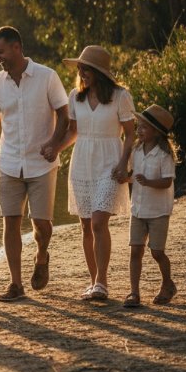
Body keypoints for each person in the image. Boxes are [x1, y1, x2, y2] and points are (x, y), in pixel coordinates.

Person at [0, 26, 69, 302]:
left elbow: (64, 114)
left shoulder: (47, 77)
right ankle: (15, 283)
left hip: (42, 163)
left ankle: (41, 255)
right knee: (10, 222)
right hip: (9, 162)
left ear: (17, 47)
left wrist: (53, 143)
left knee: (42, 224)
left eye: (0, 51)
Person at [49, 45, 135, 301]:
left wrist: (124, 164)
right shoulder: (76, 96)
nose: (82, 73)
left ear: (100, 72)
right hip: (82, 163)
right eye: (80, 69)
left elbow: (130, 134)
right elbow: (73, 132)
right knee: (86, 226)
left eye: (87, 69)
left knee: (99, 222)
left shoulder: (121, 96)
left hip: (109, 163)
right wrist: (55, 149)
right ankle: (94, 281)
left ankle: (102, 281)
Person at [124, 104, 179, 308]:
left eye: (144, 127)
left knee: (156, 252)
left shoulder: (164, 155)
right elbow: (132, 175)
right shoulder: (136, 150)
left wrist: (147, 182)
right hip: (137, 209)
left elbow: (166, 182)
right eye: (139, 125)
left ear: (156, 132)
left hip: (158, 211)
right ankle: (134, 293)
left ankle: (167, 284)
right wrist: (124, 178)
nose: (139, 130)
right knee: (135, 250)